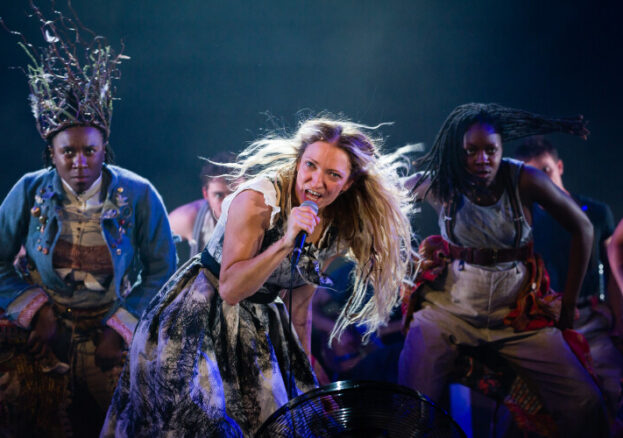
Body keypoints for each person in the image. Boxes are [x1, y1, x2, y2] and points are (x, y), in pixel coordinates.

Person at [101, 117, 414, 436]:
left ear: (347, 183)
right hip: (196, 318)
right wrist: (285, 241)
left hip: (259, 323)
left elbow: (300, 309)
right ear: (299, 160)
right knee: (202, 423)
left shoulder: (334, 224)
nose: (316, 181)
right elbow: (231, 289)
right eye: (311, 166)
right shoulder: (258, 200)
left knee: (285, 421)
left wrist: (304, 375)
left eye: (333, 174)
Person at [0, 8, 176, 437]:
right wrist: (35, 310)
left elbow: (163, 272)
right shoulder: (29, 190)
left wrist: (122, 328)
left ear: (104, 149)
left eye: (90, 152)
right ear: (52, 153)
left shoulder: (138, 193)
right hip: (48, 338)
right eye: (68, 153)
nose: (80, 163)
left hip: (110, 341)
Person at [399, 103, 609, 437]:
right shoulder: (442, 180)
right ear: (459, 151)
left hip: (516, 316)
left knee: (584, 401)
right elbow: (389, 198)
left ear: (501, 150)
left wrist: (568, 304)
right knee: (411, 401)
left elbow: (583, 227)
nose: (482, 159)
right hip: (451, 310)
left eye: (490, 150)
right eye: (472, 151)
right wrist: (402, 255)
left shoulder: (524, 178)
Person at [515, 136, 623, 420]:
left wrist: (619, 325)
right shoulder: (524, 226)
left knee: (613, 391)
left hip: (592, 320)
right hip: (546, 328)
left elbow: (614, 271)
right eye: (532, 174)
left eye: (546, 170)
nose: (542, 180)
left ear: (559, 166)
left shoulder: (597, 212)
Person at [168, 153, 236, 260]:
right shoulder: (187, 218)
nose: (228, 202)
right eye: (219, 195)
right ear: (205, 194)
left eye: (235, 193)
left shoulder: (264, 217)